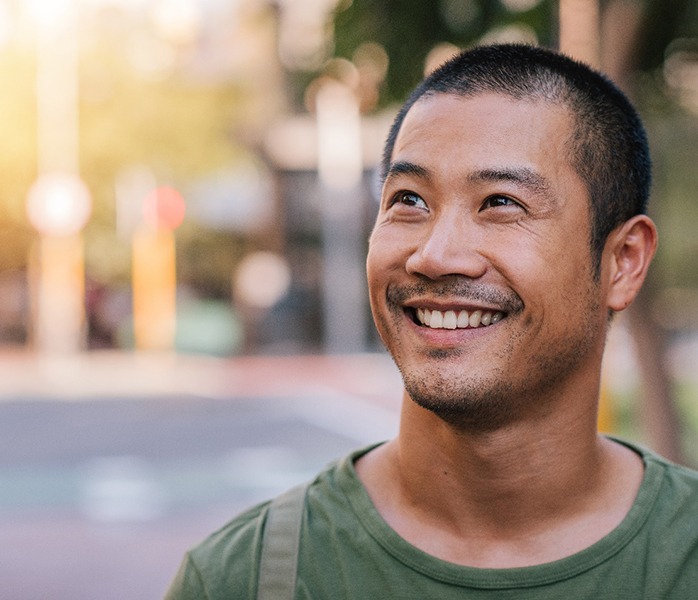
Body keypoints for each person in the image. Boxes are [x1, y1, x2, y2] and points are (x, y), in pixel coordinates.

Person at [164, 44, 698, 599]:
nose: (435, 255)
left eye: (500, 203)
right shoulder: (245, 579)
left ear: (623, 261)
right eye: (410, 200)